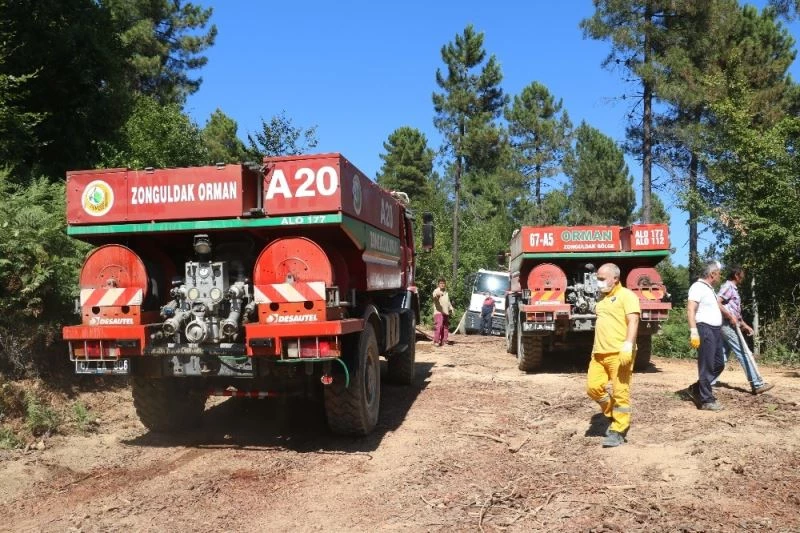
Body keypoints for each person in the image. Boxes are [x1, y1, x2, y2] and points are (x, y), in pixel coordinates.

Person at [586, 263, 640, 448]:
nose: (599, 282)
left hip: (619, 353)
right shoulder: (601, 299)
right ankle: (610, 413)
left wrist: (628, 346)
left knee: (620, 393)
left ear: (615, 278)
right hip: (598, 354)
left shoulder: (627, 296)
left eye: (602, 279)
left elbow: (633, 320)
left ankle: (619, 429)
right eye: (598, 279)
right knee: (593, 388)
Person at [715, 266, 774, 395]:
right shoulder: (728, 287)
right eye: (742, 275)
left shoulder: (733, 289)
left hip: (729, 324)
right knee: (744, 352)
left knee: (723, 355)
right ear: (736, 275)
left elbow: (735, 312)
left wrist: (745, 325)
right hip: (727, 324)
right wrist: (729, 316)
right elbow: (717, 302)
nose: (743, 277)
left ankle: (708, 382)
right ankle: (757, 384)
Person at [686, 260, 725, 411]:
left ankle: (696, 388)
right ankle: (706, 400)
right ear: (712, 274)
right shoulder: (697, 287)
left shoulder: (710, 289)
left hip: (715, 330)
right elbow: (691, 309)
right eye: (718, 273)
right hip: (705, 329)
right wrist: (693, 331)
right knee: (706, 365)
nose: (720, 276)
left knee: (719, 363)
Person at [432, 278, 454, 347]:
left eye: (443, 283)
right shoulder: (436, 291)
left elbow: (448, 302)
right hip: (438, 312)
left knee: (445, 328)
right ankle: (436, 341)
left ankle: (444, 341)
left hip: (445, 312)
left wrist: (451, 308)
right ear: (438, 284)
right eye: (441, 283)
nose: (442, 284)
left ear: (445, 284)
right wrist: (438, 295)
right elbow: (434, 296)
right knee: (439, 326)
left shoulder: (446, 292)